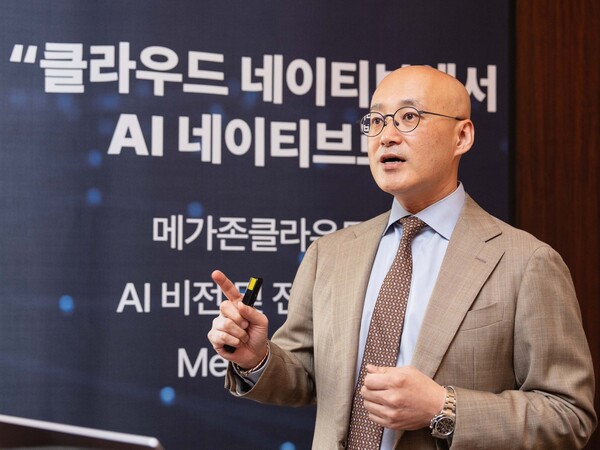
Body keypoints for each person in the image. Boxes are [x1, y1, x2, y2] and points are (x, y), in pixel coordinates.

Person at [207, 66, 597, 449]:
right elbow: (306, 377)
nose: (387, 136)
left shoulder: (526, 262)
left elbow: (569, 416)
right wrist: (257, 358)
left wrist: (443, 408)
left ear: (462, 136)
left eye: (409, 117)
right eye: (376, 121)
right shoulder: (330, 253)